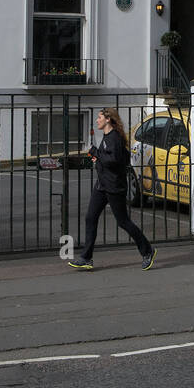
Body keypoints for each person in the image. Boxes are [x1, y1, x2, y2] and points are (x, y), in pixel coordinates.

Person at [69, 108, 156, 270]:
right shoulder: (108, 137)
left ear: (108, 119)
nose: (97, 120)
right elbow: (114, 158)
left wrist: (96, 152)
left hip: (114, 186)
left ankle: (148, 251)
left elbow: (114, 160)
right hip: (102, 185)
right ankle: (86, 258)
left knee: (123, 222)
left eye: (99, 117)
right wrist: (98, 157)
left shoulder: (114, 137)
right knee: (90, 217)